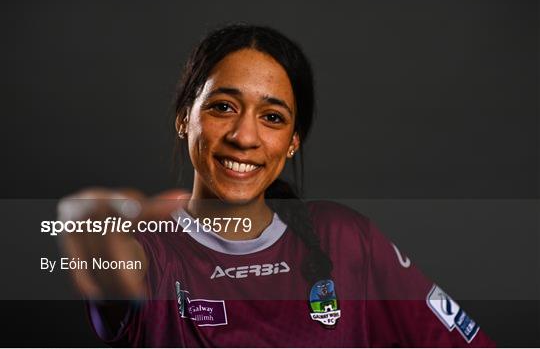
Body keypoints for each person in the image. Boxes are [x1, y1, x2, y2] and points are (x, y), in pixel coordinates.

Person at [59, 24, 495, 347]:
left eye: (272, 117)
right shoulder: (151, 254)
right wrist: (118, 212)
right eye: (224, 106)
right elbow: (83, 223)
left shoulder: (346, 241)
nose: (244, 137)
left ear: (291, 142)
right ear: (183, 118)